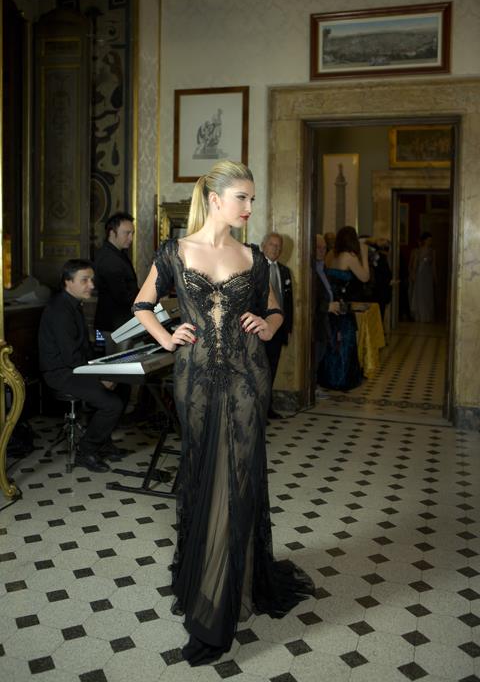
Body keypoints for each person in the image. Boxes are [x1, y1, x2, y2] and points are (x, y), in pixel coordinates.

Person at [132, 160, 313, 666]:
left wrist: (269, 325)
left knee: (238, 475)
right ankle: (208, 577)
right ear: (215, 199)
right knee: (202, 474)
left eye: (252, 199)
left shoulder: (253, 257)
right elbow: (142, 304)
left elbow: (275, 311)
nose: (250, 207)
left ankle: (220, 601)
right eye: (243, 198)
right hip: (193, 382)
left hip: (247, 378)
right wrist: (167, 336)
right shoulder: (174, 252)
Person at [38, 259, 128, 472]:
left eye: (92, 280)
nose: (92, 285)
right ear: (68, 282)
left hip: (74, 367)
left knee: (122, 385)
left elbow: (83, 349)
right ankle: (86, 451)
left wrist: (103, 368)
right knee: (112, 404)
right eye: (85, 280)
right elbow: (71, 357)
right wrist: (98, 377)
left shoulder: (72, 303)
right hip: (60, 374)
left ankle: (103, 442)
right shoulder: (60, 310)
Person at [319, 226, 370, 391]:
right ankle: (341, 379)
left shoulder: (330, 255)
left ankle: (328, 378)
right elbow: (365, 277)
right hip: (342, 308)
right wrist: (365, 256)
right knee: (344, 342)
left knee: (332, 342)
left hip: (330, 305)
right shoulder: (349, 256)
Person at [94, 212, 139, 355]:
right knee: (116, 364)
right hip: (114, 326)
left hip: (118, 324)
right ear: (112, 233)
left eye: (132, 233)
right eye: (127, 233)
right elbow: (122, 296)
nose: (131, 238)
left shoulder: (116, 253)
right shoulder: (109, 258)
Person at [261, 232, 293, 419]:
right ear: (263, 246)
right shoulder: (256, 269)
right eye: (272, 244)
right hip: (260, 330)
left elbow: (288, 303)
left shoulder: (284, 271)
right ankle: (259, 411)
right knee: (261, 371)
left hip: (279, 331)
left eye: (279, 246)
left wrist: (288, 328)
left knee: (272, 368)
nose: (276, 249)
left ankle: (268, 408)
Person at [314, 234, 340, 382]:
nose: (321, 251)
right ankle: (312, 387)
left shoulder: (323, 267)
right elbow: (307, 299)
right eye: (318, 247)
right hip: (316, 320)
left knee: (322, 353)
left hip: (326, 319)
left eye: (324, 248)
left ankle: (315, 385)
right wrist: (327, 306)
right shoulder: (308, 270)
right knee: (315, 355)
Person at [409, 232, 436, 323]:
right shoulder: (418, 251)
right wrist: (413, 275)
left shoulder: (432, 251)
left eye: (431, 240)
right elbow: (414, 264)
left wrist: (435, 277)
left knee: (428, 295)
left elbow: (434, 265)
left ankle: (428, 316)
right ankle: (420, 316)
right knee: (420, 295)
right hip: (420, 275)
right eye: (428, 240)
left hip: (428, 275)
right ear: (424, 240)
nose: (430, 241)